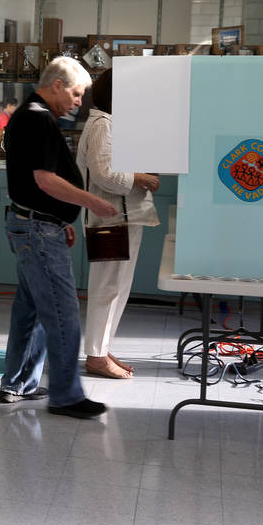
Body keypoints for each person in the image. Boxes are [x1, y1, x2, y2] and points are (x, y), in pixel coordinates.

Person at [0, 56, 118, 419]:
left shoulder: (30, 114)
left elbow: (35, 184)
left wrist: (60, 216)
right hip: (37, 230)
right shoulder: (37, 117)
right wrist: (91, 201)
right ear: (58, 86)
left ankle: (18, 383)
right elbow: (44, 180)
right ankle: (67, 396)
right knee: (63, 314)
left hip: (34, 223)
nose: (80, 102)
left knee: (31, 309)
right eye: (78, 94)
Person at [76, 69, 160, 379]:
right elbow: (104, 174)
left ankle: (103, 348)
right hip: (110, 219)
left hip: (124, 217)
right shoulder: (101, 126)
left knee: (118, 288)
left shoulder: (110, 124)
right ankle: (96, 356)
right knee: (107, 289)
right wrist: (138, 177)